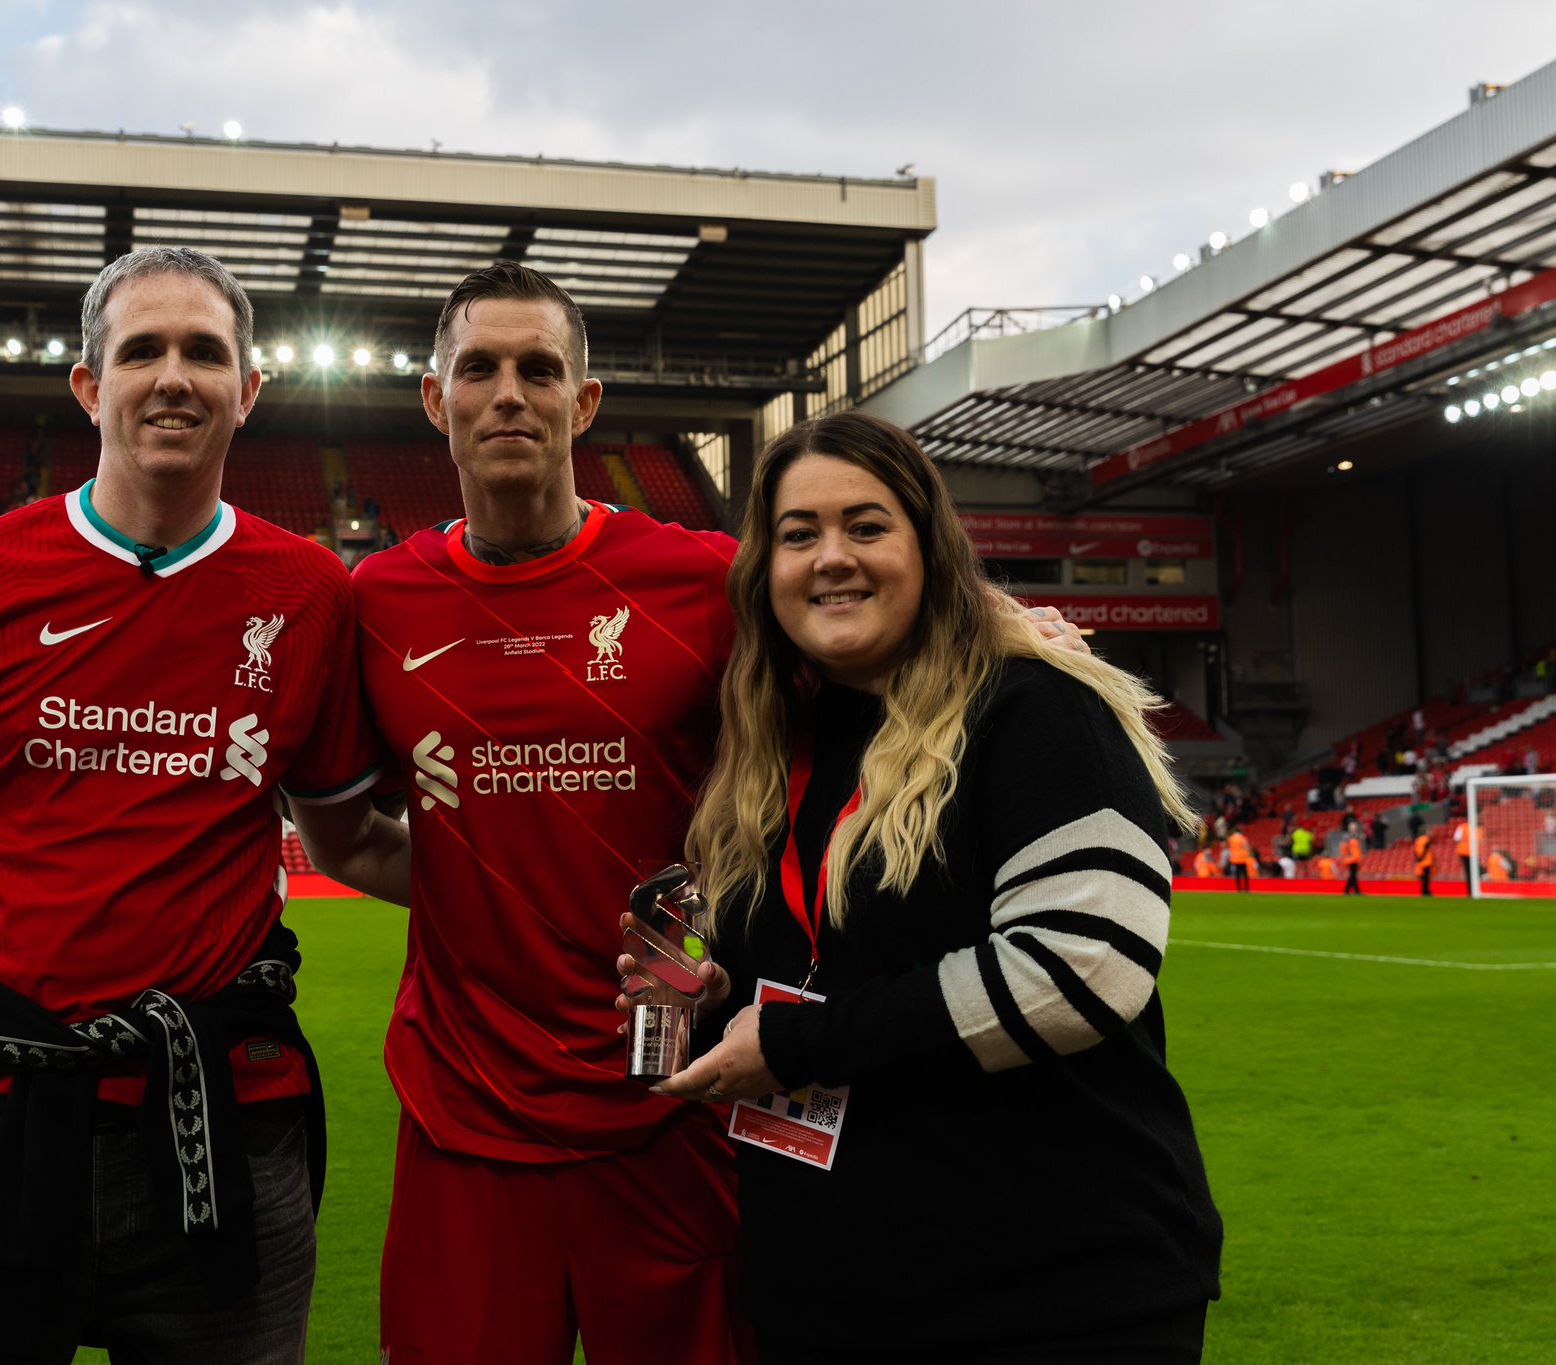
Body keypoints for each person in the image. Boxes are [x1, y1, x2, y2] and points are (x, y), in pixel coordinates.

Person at [352, 264, 1090, 1365]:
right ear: (434, 397)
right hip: (465, 1115)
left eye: (539, 369)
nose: (509, 393)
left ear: (583, 403)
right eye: (479, 369)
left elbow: (864, 602)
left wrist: (1007, 623)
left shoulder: (702, 580)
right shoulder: (375, 601)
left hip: (676, 1094)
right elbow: (345, 831)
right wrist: (476, 879)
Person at [0, 245, 411, 1364]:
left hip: (223, 1122)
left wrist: (551, 878)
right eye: (141, 351)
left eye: (204, 353)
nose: (173, 377)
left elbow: (350, 840)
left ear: (249, 389)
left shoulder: (308, 593)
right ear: (90, 386)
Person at [640, 411, 1221, 1360]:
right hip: (825, 1296)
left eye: (867, 526)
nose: (833, 557)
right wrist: (714, 1001)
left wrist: (791, 1042)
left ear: (929, 548)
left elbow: (1083, 967)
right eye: (799, 533)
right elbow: (816, 975)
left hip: (1056, 1295)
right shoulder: (767, 752)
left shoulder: (1037, 705)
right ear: (764, 570)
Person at [1339, 827, 1364, 895]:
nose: (1354, 830)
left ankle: (1350, 890)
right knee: (1353, 875)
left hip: (1355, 859)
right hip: (1351, 859)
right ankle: (1353, 890)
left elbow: (1358, 850)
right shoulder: (1347, 837)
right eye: (1353, 828)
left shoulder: (1356, 837)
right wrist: (1345, 857)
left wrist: (1359, 858)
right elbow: (1344, 847)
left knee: (1353, 875)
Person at [1226, 826, 1252, 892]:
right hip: (1243, 858)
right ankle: (1246, 888)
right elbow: (1246, 847)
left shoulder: (1231, 838)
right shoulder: (1243, 838)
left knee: (1237, 873)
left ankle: (1238, 888)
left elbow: (1229, 846)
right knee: (1244, 873)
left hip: (1234, 858)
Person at [1413, 828, 1435, 897]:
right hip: (1426, 861)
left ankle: (1425, 891)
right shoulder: (1425, 839)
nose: (1430, 832)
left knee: (1424, 877)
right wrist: (1421, 857)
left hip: (1422, 860)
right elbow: (1423, 848)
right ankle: (1425, 891)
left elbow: (1416, 850)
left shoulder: (1418, 839)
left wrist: (1417, 858)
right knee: (1425, 877)